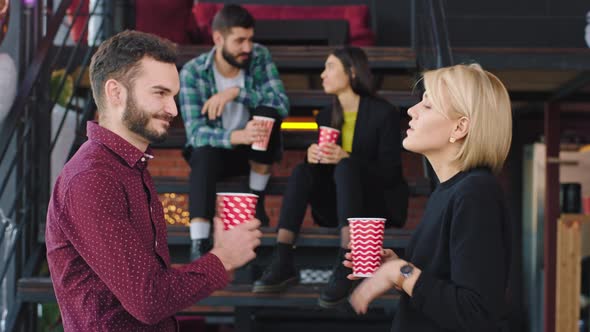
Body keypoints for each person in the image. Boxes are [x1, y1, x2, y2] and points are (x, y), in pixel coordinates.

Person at [45, 30, 262, 331]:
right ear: (115, 93)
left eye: (174, 96)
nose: (173, 109)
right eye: (160, 93)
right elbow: (149, 300)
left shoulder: (129, 167)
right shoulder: (92, 178)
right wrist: (222, 258)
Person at [347, 63, 512, 331]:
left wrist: (400, 273)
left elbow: (476, 312)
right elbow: (442, 294)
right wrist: (397, 266)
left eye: (427, 105)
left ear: (459, 128)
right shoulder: (448, 191)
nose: (411, 111)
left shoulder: (475, 194)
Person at [252, 47, 409, 309]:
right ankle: (282, 256)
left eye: (330, 67)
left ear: (352, 72)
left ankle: (347, 256)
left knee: (346, 167)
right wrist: (314, 156)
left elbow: (391, 172)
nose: (323, 74)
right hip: (336, 206)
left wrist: (345, 157)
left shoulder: (384, 113)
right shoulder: (326, 115)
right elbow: (326, 171)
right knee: (303, 170)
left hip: (373, 205)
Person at [179, 4, 289, 260]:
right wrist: (235, 136)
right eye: (240, 41)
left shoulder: (259, 57)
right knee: (203, 153)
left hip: (254, 152)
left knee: (269, 114)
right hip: (216, 154)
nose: (247, 48)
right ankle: (199, 242)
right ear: (218, 39)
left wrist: (237, 93)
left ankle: (256, 199)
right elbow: (195, 133)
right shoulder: (194, 72)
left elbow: (281, 104)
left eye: (250, 39)